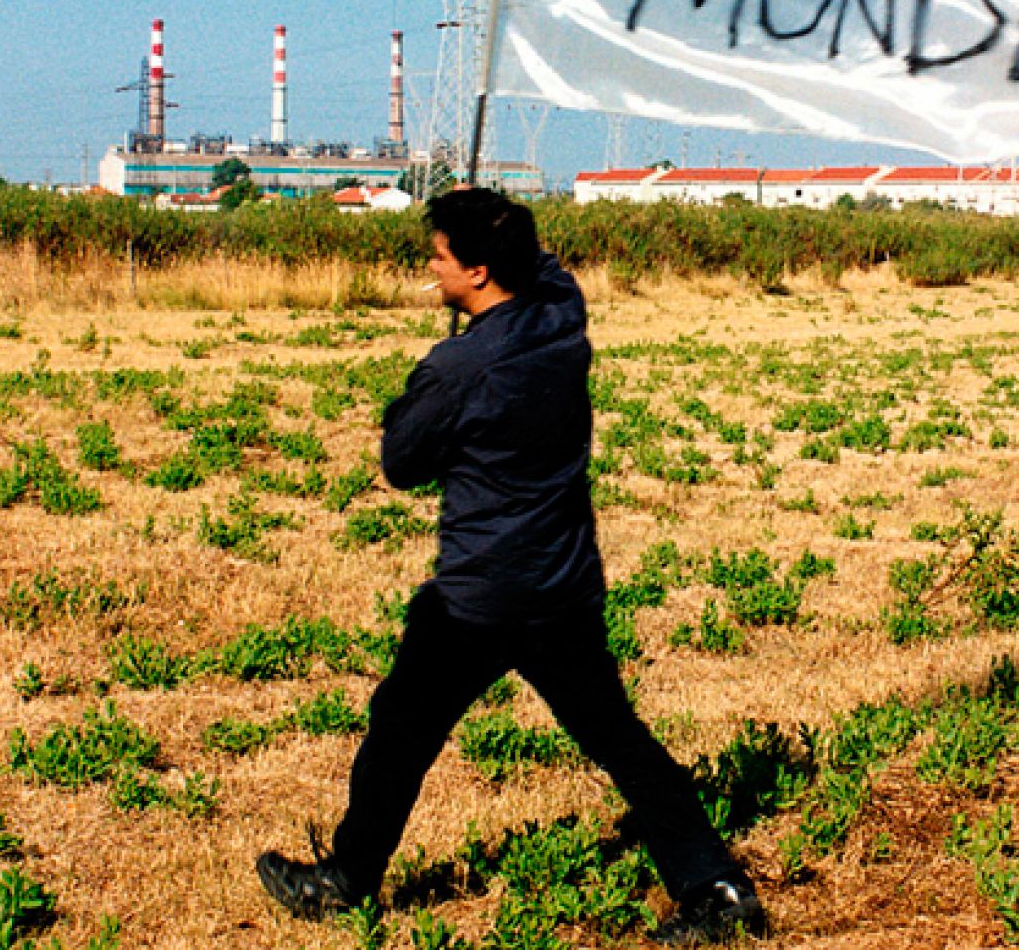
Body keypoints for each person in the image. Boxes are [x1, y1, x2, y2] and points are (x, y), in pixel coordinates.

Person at [256, 188, 768, 945]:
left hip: (478, 599)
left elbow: (402, 463)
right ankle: (716, 888)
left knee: (400, 729)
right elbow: (548, 270)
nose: (433, 269)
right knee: (617, 739)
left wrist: (421, 386)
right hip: (562, 584)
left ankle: (345, 880)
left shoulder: (460, 366)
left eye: (440, 257)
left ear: (481, 270)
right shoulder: (563, 316)